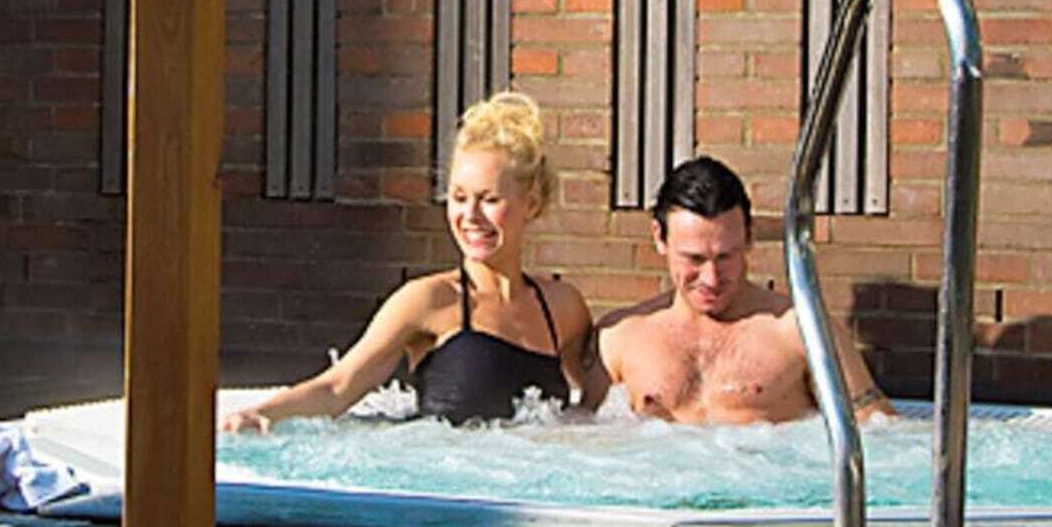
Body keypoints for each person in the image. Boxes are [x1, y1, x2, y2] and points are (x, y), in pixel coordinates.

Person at [220, 92, 597, 430]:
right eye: (459, 197)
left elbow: (597, 411)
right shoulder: (428, 300)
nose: (470, 215)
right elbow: (338, 386)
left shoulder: (563, 307)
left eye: (489, 199)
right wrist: (264, 414)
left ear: (531, 204)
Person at [589, 155, 896, 427]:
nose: (711, 278)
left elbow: (878, 432)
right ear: (660, 238)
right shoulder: (619, 338)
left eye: (725, 257)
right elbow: (585, 445)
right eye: (694, 259)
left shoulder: (802, 331)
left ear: (749, 238)